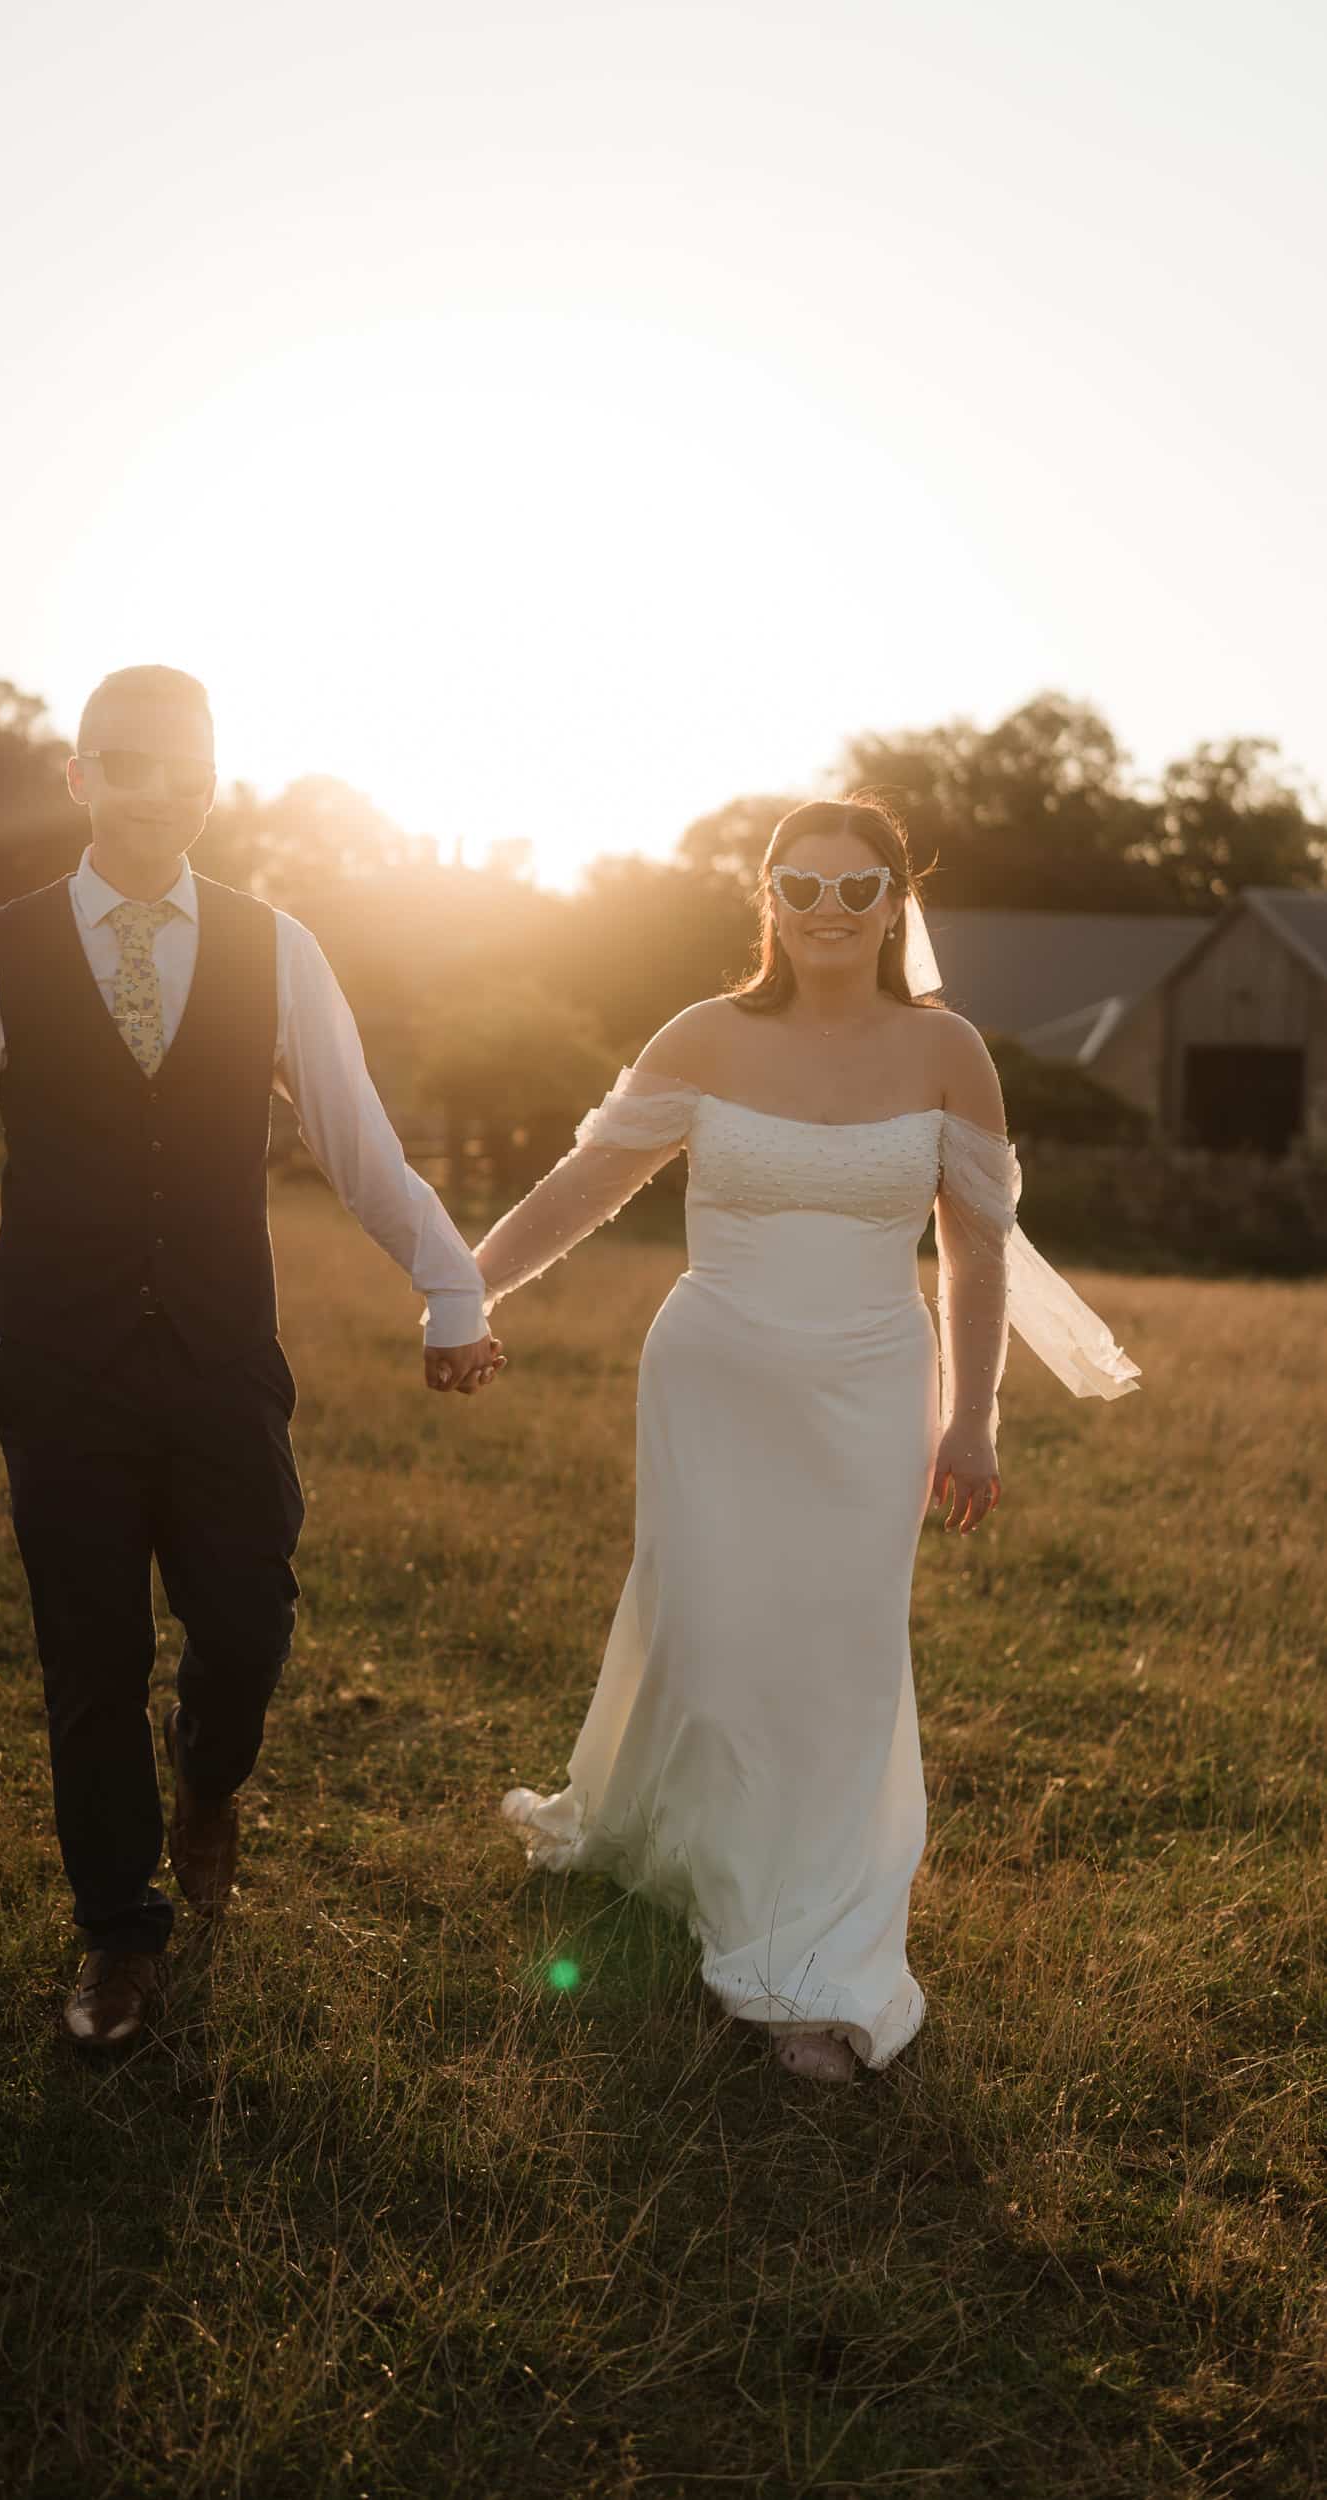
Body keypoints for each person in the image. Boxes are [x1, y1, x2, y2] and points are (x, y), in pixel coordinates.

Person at [473, 794, 1140, 2084]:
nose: (827, 910)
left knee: (838, 1655)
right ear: (765, 896)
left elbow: (975, 1251)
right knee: (715, 1631)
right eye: (802, 885)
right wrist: (467, 1291)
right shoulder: (702, 1036)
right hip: (713, 1378)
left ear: (899, 903)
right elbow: (581, 1188)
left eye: (857, 888)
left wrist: (976, 1416)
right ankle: (694, 1861)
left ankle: (810, 1953)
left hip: (873, 1388)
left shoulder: (951, 1053)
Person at [0, 664, 502, 2050]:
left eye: (182, 764)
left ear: (212, 778)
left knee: (250, 1626)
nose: (155, 786)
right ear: (80, 778)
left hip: (225, 1363)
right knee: (90, 1661)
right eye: (126, 761)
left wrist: (451, 1292)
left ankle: (208, 1779)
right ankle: (118, 1934)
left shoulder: (278, 946)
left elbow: (360, 1145)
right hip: (58, 1375)